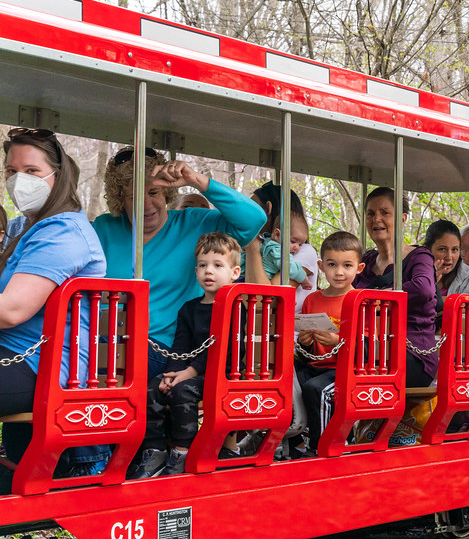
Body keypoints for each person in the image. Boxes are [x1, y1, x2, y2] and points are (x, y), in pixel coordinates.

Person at [93, 147, 265, 378]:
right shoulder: (104, 227)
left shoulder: (195, 222)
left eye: (154, 192)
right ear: (120, 199)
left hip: (160, 347)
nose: (147, 204)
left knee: (106, 369)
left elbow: (254, 220)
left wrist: (199, 182)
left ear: (167, 193)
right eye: (135, 196)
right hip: (97, 340)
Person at [0, 128, 106, 490]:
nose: (18, 181)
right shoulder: (23, 228)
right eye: (11, 171)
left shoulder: (63, 232)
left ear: (56, 177)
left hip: (38, 365)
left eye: (31, 171)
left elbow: (12, 309)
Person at [129, 233, 242, 478]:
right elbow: (180, 346)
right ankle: (155, 449)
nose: (208, 271)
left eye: (217, 265)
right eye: (202, 265)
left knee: (183, 391)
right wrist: (170, 374)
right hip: (190, 371)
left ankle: (182, 451)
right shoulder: (189, 308)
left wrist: (187, 374)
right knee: (152, 388)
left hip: (224, 372)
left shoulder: (235, 307)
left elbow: (225, 350)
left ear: (234, 272)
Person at [353, 187, 437, 388]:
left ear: (402, 218)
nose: (376, 219)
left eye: (385, 213)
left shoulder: (419, 257)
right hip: (369, 347)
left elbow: (424, 288)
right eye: (371, 214)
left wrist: (381, 297)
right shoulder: (365, 261)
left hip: (412, 355)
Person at [297, 231, 364, 454]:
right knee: (289, 383)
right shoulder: (312, 299)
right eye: (332, 264)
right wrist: (305, 342)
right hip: (314, 366)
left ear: (359, 268)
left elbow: (365, 348)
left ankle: (327, 446)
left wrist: (338, 340)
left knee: (317, 389)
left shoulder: (360, 301)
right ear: (321, 265)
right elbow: (305, 349)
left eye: (347, 265)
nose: (339, 272)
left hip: (344, 369)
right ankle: (291, 442)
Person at [245, 181, 318, 313]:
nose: (246, 215)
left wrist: (252, 245)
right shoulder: (265, 245)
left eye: (251, 209)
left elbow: (262, 301)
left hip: (293, 331)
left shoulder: (305, 251)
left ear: (268, 208)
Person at [425, 219, 469, 329]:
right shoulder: (415, 274)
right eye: (442, 249)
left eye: (455, 250)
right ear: (426, 249)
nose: (449, 257)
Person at [258, 213, 309, 285]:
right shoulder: (277, 250)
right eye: (293, 241)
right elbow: (288, 267)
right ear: (277, 234)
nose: (297, 248)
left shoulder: (266, 243)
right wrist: (303, 278)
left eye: (300, 244)